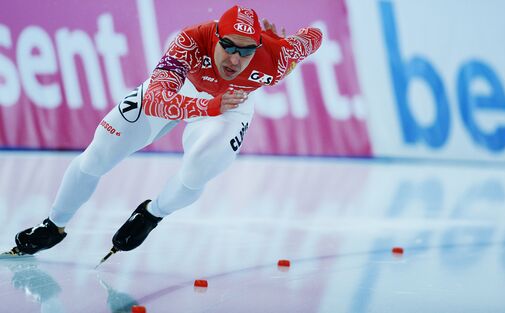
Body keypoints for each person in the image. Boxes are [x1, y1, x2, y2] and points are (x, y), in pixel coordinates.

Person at [4, 5, 322, 258]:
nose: (235, 59)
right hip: (186, 94)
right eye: (228, 47)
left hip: (232, 104)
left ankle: (152, 214)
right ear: (215, 36)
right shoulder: (190, 41)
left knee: (202, 168)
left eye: (246, 50)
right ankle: (52, 226)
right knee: (100, 151)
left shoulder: (276, 57)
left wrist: (286, 47)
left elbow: (314, 36)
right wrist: (210, 106)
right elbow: (157, 101)